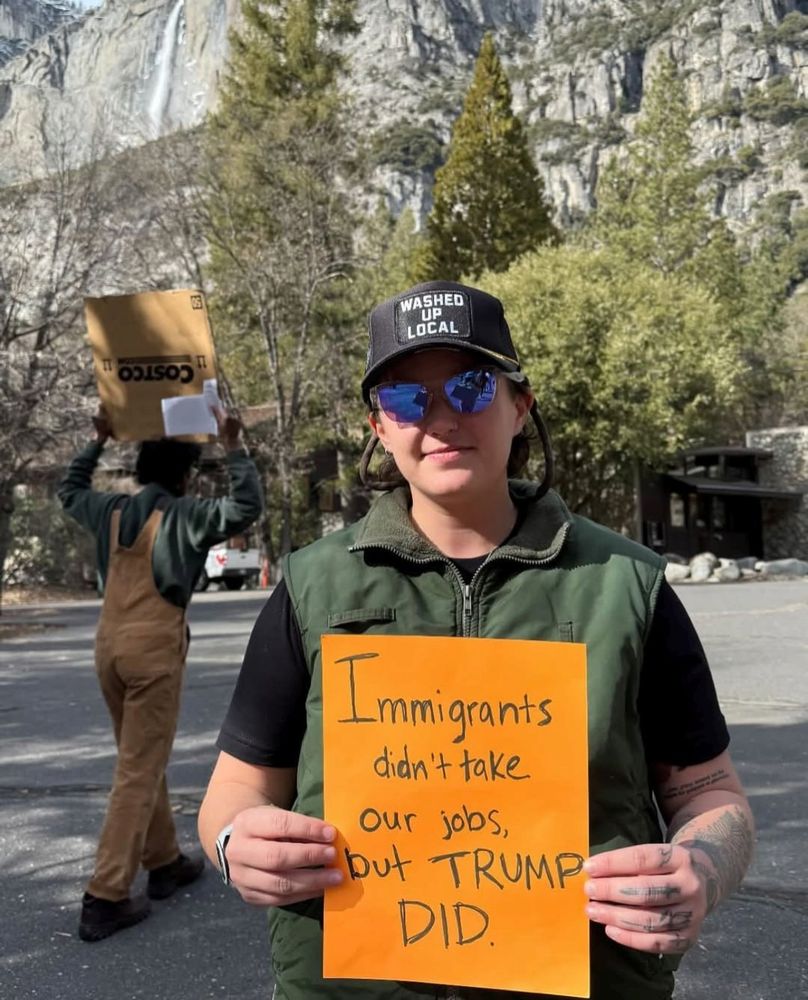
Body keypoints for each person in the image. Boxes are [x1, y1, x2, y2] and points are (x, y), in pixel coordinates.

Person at [197, 281, 754, 999]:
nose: (439, 419)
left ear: (519, 404)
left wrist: (702, 871)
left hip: (587, 981)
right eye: (405, 399)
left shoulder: (627, 584)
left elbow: (711, 794)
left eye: (469, 386)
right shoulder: (311, 587)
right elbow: (235, 789)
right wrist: (235, 843)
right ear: (378, 427)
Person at [58, 405, 263, 942]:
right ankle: (105, 895)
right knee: (137, 769)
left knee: (139, 756)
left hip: (108, 647)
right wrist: (234, 446)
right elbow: (246, 505)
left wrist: (97, 441)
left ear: (141, 469)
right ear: (184, 475)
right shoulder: (185, 515)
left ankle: (165, 859)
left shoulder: (111, 510)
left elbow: (69, 490)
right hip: (153, 649)